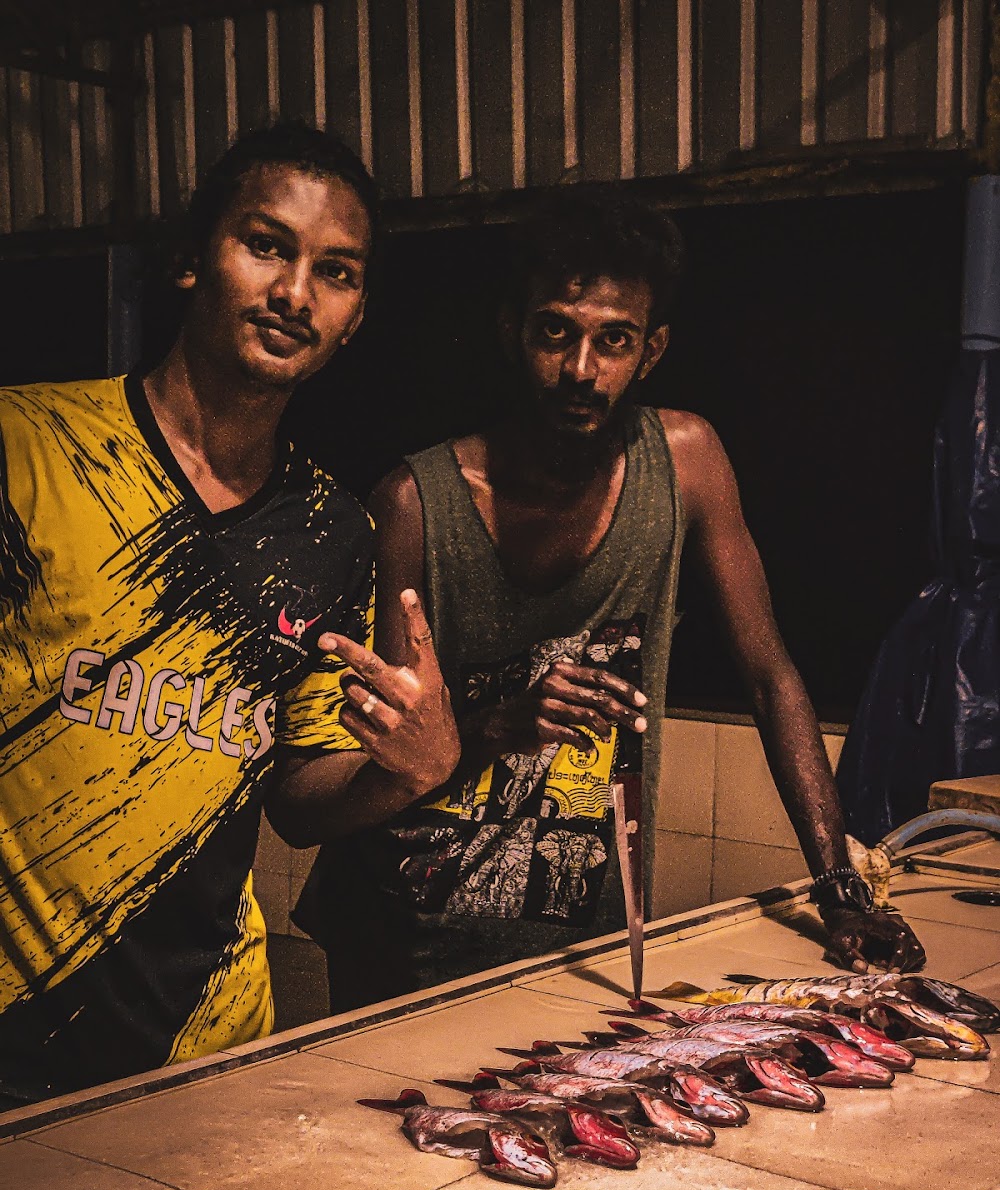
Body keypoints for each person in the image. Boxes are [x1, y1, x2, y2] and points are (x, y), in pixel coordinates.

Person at [282, 194, 927, 1013]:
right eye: (556, 331)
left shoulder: (685, 465)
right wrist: (496, 724)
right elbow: (379, 758)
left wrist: (841, 890)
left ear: (650, 351)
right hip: (403, 936)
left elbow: (770, 677)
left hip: (582, 943)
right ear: (512, 330)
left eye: (613, 340)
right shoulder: (415, 501)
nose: (582, 368)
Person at [0, 123, 457, 1110]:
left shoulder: (335, 531)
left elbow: (298, 799)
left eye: (334, 271)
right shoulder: (26, 449)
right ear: (188, 258)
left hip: (206, 1051)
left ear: (357, 312)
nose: (296, 292)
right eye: (265, 245)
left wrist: (407, 772)